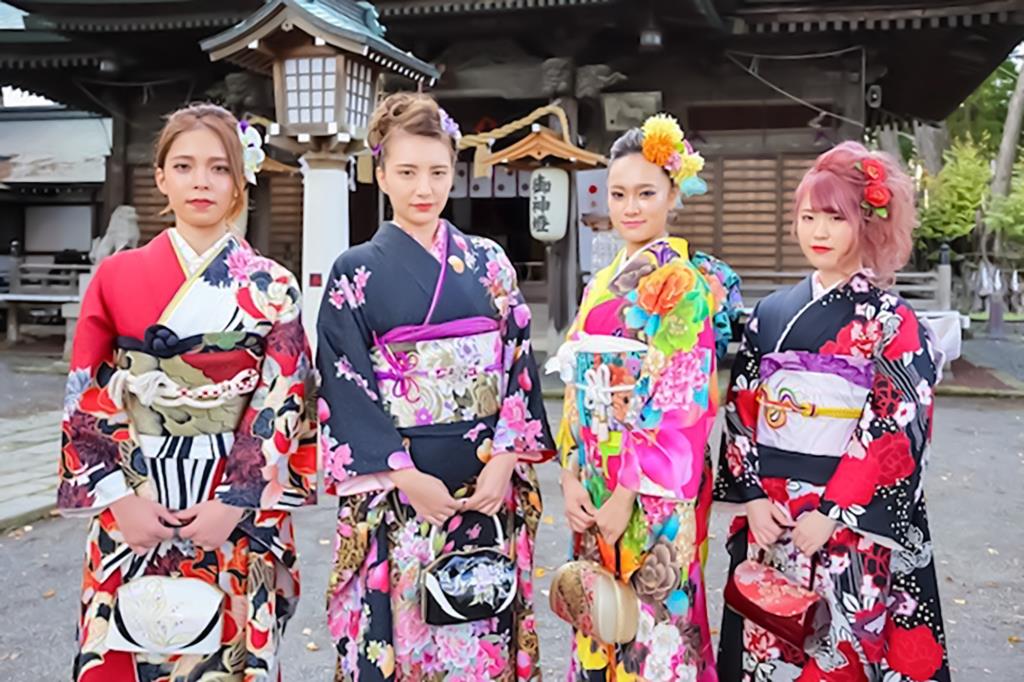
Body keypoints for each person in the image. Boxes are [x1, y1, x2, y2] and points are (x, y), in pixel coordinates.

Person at [57, 103, 316, 681]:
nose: (201, 181)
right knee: (127, 645)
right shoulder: (115, 276)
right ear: (160, 178)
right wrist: (121, 501)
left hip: (234, 503)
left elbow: (284, 395)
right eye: (184, 166)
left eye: (219, 168)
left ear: (239, 181)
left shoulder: (273, 285)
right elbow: (87, 391)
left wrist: (235, 500)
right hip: (135, 490)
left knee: (230, 656)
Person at [317, 92, 554, 681]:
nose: (423, 188)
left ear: (454, 172)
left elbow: (518, 365)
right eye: (407, 173)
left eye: (438, 172)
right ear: (380, 174)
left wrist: (506, 460)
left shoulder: (490, 262)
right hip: (401, 493)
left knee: (481, 627)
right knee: (403, 636)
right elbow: (345, 385)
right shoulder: (354, 272)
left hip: (485, 487)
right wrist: (403, 475)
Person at [714, 141, 949, 682]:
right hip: (774, 517)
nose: (818, 231)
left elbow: (895, 427)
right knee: (766, 646)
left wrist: (834, 512)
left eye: (835, 218)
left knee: (841, 655)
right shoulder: (770, 313)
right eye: (807, 217)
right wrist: (752, 498)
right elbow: (743, 411)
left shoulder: (892, 320)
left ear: (866, 223)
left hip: (847, 526)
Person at [551, 114, 737, 682]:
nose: (630, 207)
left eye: (646, 193)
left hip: (652, 488)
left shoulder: (682, 283)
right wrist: (569, 474)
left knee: (655, 629)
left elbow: (682, 400)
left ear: (673, 195)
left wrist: (626, 495)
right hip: (595, 479)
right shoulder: (600, 281)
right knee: (601, 616)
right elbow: (576, 386)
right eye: (618, 194)